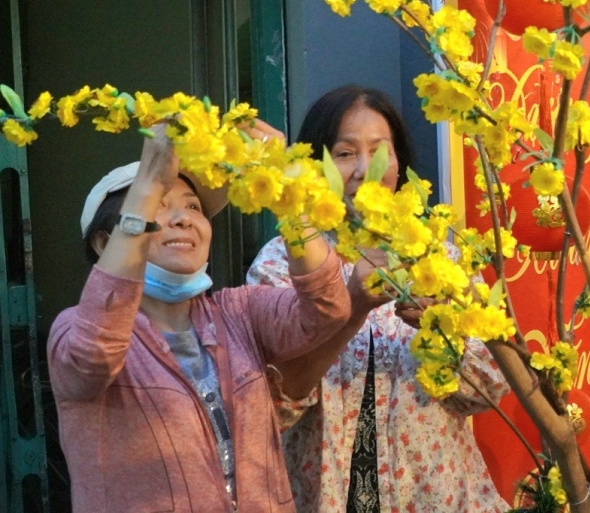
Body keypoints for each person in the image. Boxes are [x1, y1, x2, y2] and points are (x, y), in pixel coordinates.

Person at [49, 122, 351, 513]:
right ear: (106, 242)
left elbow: (328, 308)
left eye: (193, 206)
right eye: (160, 206)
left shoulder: (237, 313)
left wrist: (289, 192)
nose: (183, 219)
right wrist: (147, 183)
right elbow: (93, 354)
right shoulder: (73, 330)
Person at [247, 85, 509, 513]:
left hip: (437, 497)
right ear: (316, 165)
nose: (365, 169)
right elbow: (271, 406)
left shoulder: (438, 255)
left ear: (399, 160)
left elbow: (488, 392)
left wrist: (443, 336)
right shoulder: (283, 260)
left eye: (379, 150)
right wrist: (348, 305)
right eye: (345, 153)